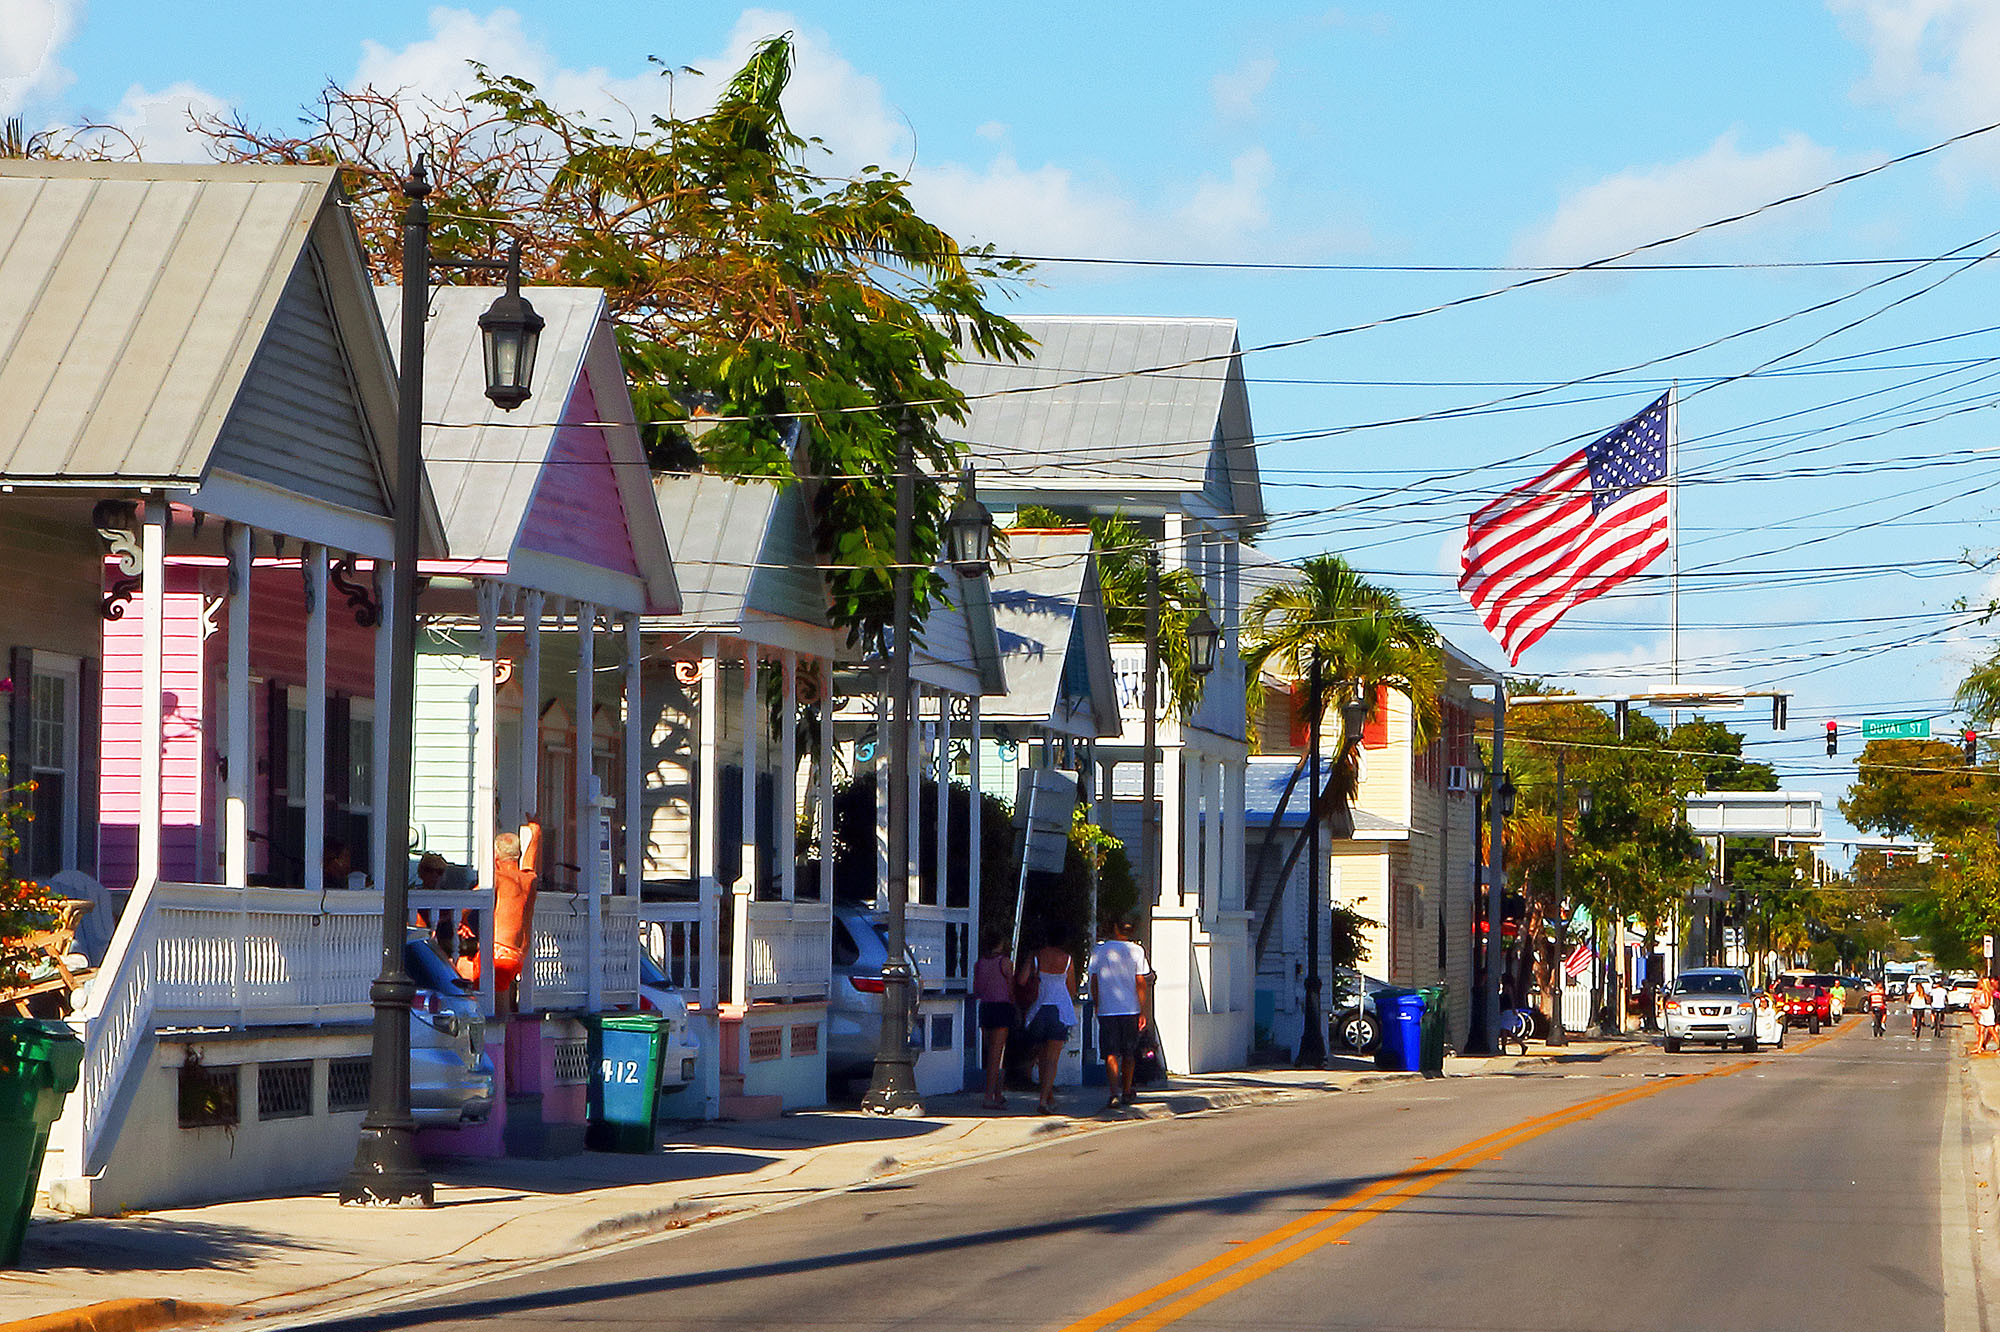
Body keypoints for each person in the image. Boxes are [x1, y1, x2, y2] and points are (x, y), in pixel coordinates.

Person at [1087, 918, 1152, 1111]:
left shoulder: (1100, 950)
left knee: (1110, 1053)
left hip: (1108, 1009)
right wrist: (1142, 1010)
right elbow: (1141, 982)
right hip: (1130, 1009)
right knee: (1129, 1052)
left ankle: (1114, 1091)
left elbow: (1095, 980)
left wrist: (1097, 1004)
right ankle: (1126, 1089)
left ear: (1115, 927)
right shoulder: (1137, 950)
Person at [1018, 924, 1078, 1115]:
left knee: (1041, 1056)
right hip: (1060, 1010)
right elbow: (1072, 989)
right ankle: (1044, 1099)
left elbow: (1021, 980)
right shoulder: (1067, 960)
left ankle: (1047, 1094)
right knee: (1052, 1059)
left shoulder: (1036, 956)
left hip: (1038, 1010)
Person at [491, 819, 541, 1016]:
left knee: (499, 1011)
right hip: (519, 952)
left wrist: (461, 920)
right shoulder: (529, 879)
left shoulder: (498, 878)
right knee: (509, 1001)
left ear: (496, 856)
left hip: (499, 952)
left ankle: (500, 1045)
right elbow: (529, 863)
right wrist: (535, 834)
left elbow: (471, 901)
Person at [972, 931, 1016, 1109]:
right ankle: (989, 1095)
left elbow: (977, 988)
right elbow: (1011, 988)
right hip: (1001, 1007)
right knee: (997, 1054)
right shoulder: (1005, 962)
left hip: (986, 1006)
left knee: (993, 1052)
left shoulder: (980, 963)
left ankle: (997, 1093)